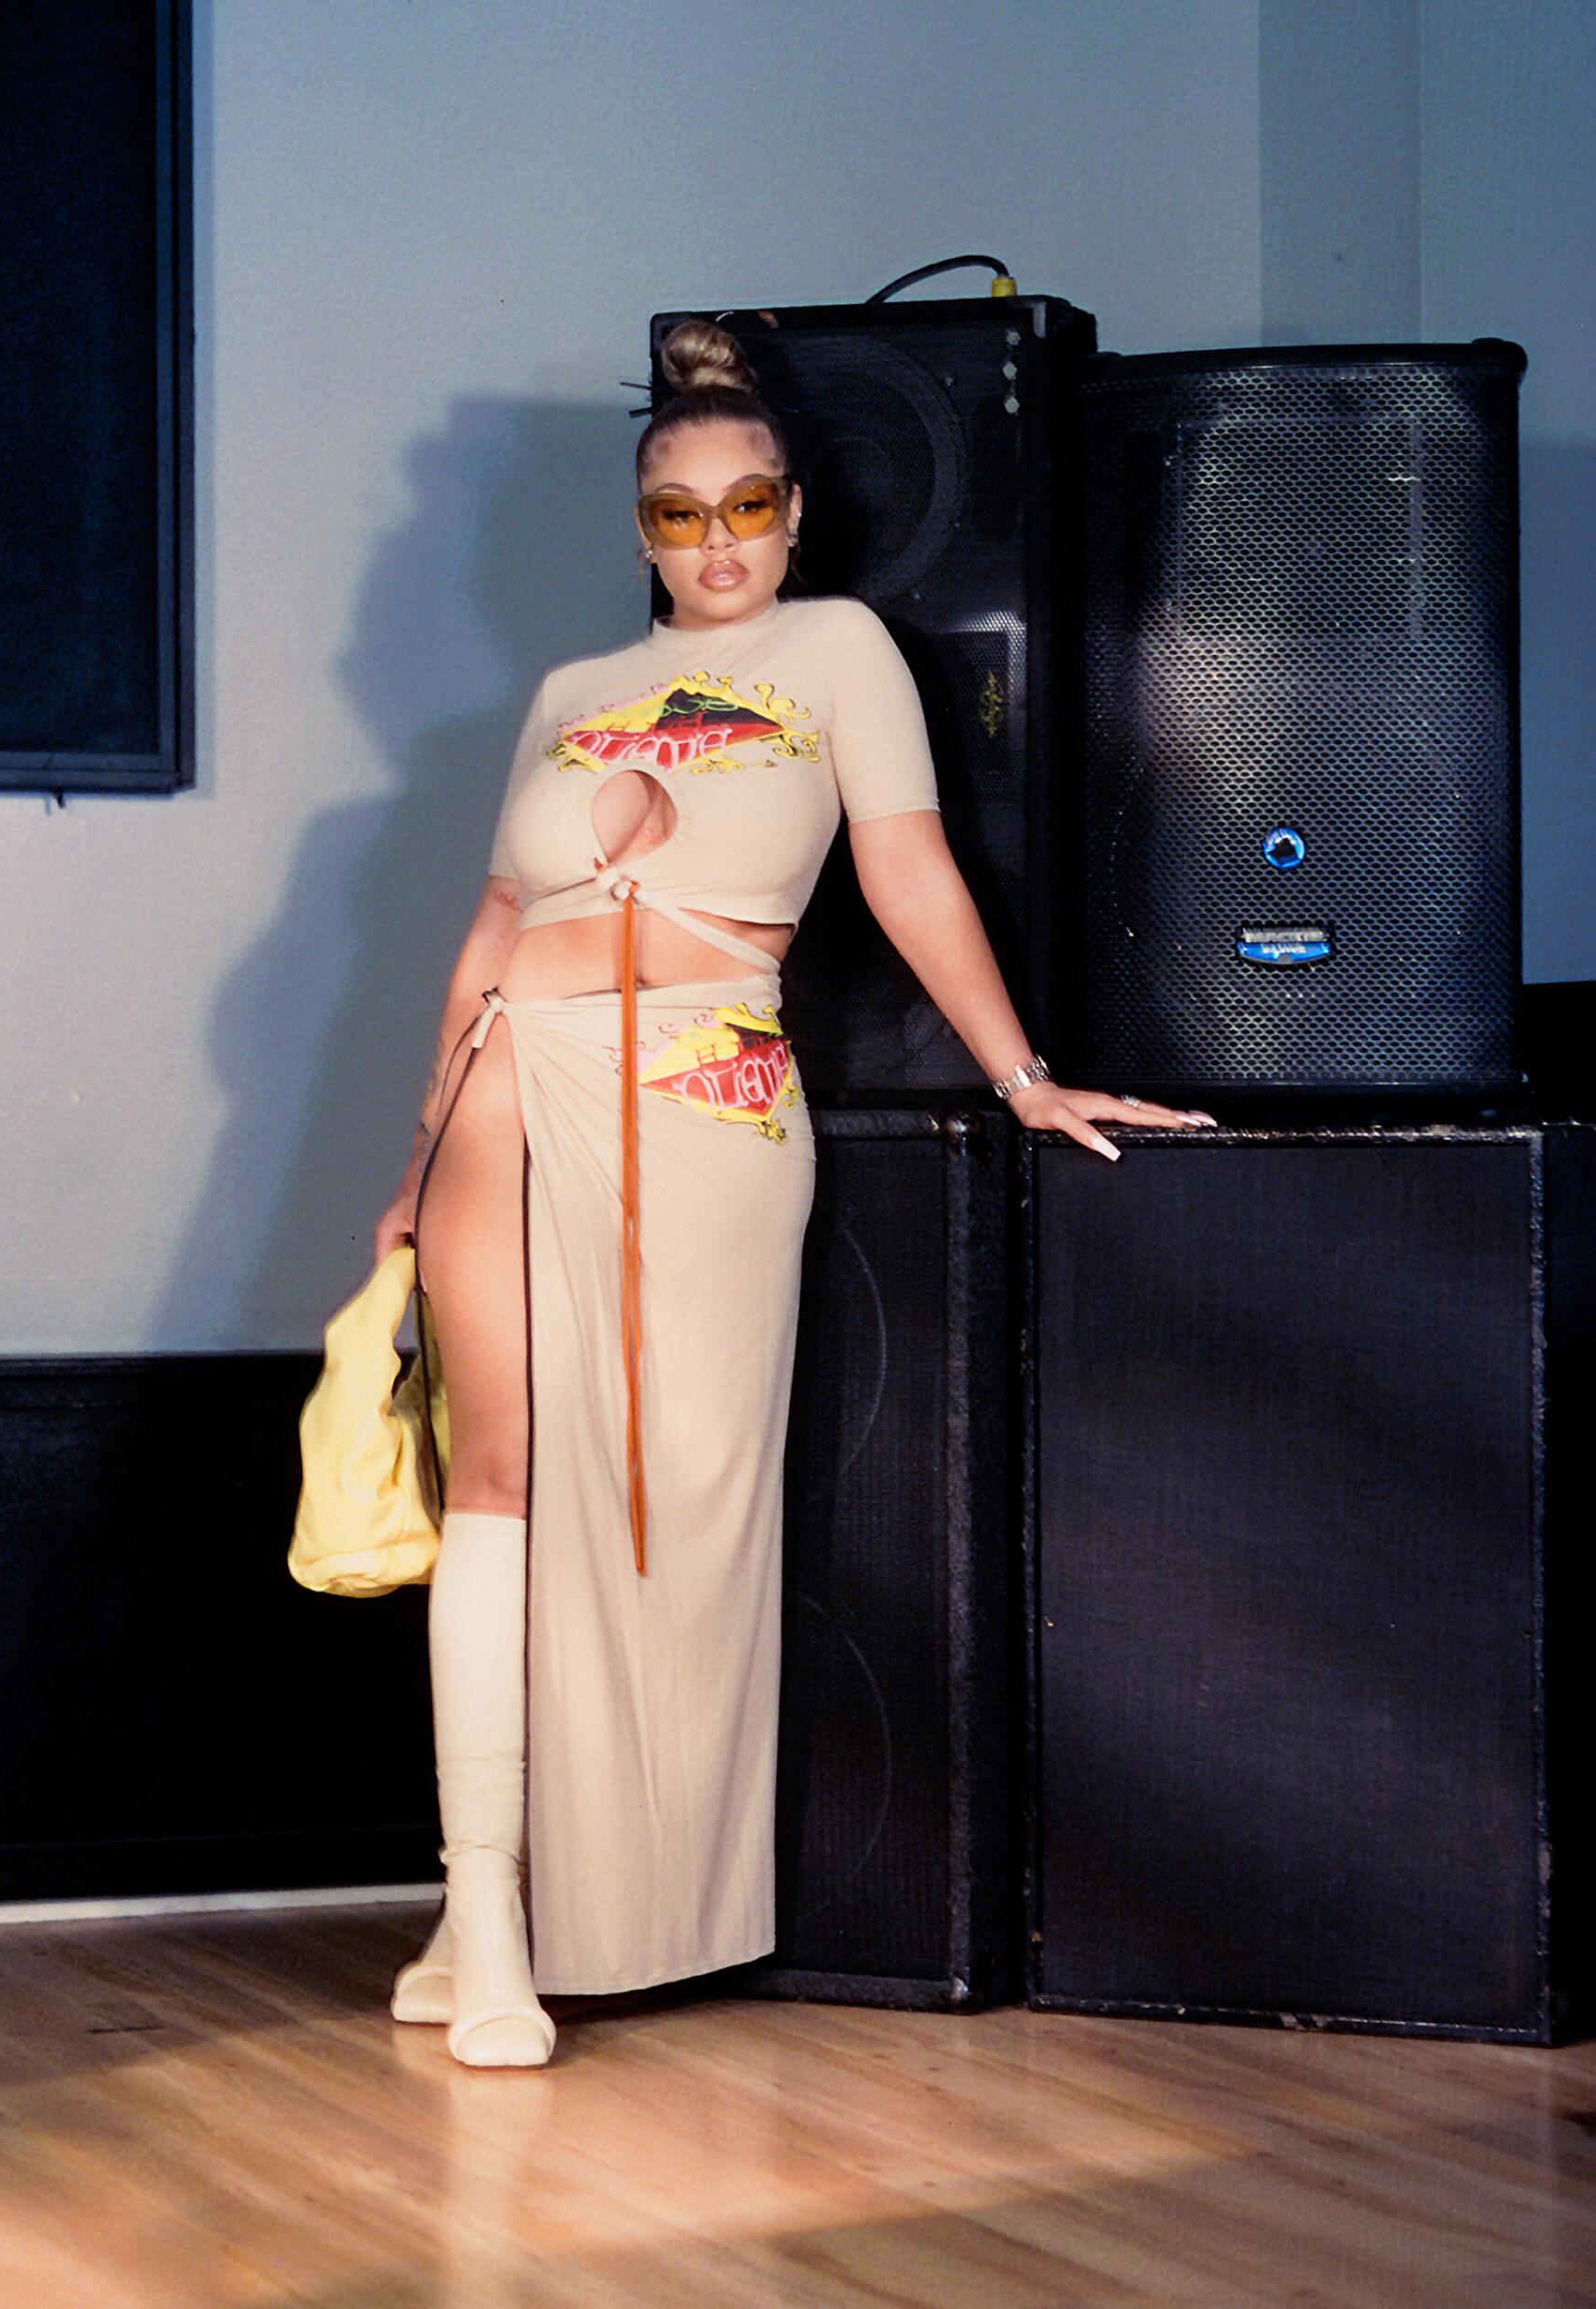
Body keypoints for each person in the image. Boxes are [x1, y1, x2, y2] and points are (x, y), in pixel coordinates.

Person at [369, 320, 1217, 2069]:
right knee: (503, 1484)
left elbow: (906, 869)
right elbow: (489, 936)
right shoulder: (560, 697)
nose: (717, 539)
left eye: (748, 502)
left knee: (677, 1505)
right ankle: (485, 1914)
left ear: (798, 510)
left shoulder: (838, 652)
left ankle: (599, 1901)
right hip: (506, 1087)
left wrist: (1021, 1074)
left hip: (703, 1091)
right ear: (640, 533)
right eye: (680, 514)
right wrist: (408, 1161)